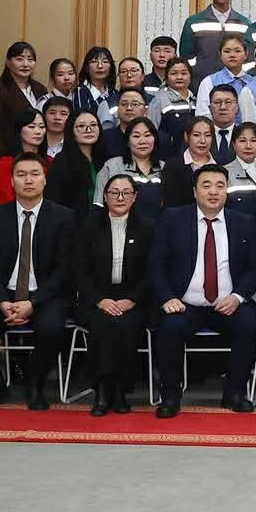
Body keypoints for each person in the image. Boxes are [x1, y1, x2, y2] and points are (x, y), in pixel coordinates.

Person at [0, 152, 75, 412]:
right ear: (12, 181)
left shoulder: (64, 217)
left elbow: (64, 270)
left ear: (45, 179)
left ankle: (35, 385)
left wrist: (33, 303)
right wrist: (2, 301)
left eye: (35, 174)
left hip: (44, 295)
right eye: (21, 175)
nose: (28, 180)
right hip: (3, 294)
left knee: (52, 329)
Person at [146, 162, 256, 416]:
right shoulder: (173, 219)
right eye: (206, 185)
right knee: (169, 328)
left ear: (227, 190)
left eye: (220, 186)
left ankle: (235, 393)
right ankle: (170, 397)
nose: (213, 192)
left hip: (227, 303)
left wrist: (238, 297)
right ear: (195, 190)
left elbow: (254, 268)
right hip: (184, 304)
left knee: (250, 325)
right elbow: (156, 263)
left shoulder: (243, 222)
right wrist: (167, 297)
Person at [73, 171, 152, 418]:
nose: (120, 197)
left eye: (126, 192)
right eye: (114, 192)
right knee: (103, 325)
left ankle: (120, 390)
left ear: (135, 197)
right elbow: (78, 269)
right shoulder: (88, 226)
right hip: (97, 297)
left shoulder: (148, 228)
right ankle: (102, 390)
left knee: (126, 326)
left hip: (133, 299)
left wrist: (132, 299)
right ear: (105, 196)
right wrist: (99, 300)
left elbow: (152, 271)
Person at [179, 0, 254, 80]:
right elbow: (186, 57)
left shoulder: (245, 23)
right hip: (201, 83)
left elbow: (250, 59)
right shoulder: (194, 22)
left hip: (237, 84)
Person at [0, 41, 48, 139]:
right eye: (20, 59)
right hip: (9, 144)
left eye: (30, 59)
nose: (26, 64)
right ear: (8, 62)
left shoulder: (40, 89)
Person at [160, 116, 221, 209]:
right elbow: (170, 204)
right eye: (196, 135)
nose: (202, 141)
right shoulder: (172, 167)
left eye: (208, 135)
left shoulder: (219, 167)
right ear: (186, 136)